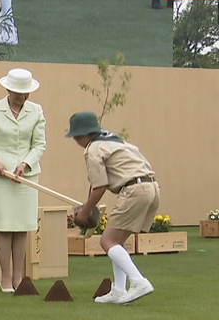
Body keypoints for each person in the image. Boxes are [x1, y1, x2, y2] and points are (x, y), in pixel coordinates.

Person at [67, 112, 157, 305]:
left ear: (84, 134)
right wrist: (88, 206)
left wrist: (84, 212)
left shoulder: (93, 149)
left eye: (76, 136)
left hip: (133, 189)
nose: (76, 140)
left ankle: (139, 282)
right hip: (151, 187)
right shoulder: (114, 140)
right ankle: (118, 290)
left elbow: (100, 186)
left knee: (107, 240)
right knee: (117, 241)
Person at [0, 69, 45, 292]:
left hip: (26, 177)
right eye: (17, 93)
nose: (22, 97)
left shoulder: (37, 111)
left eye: (26, 93)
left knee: (22, 226)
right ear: (8, 90)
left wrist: (25, 164)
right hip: (0, 176)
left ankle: (19, 276)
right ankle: (5, 277)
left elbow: (39, 144)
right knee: (4, 226)